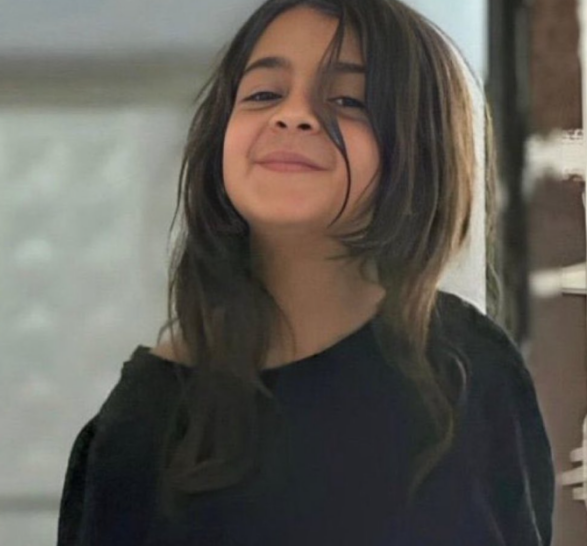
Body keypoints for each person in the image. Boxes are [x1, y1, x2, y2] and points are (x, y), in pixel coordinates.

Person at [57, 0, 555, 544]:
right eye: (263, 94)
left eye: (347, 100)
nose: (293, 115)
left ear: (419, 147)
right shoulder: (143, 424)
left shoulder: (467, 371)